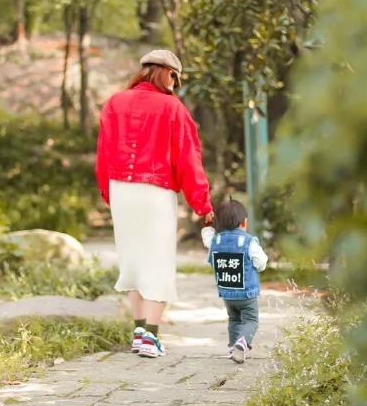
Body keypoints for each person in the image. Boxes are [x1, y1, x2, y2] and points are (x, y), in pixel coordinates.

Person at [95, 49, 214, 359]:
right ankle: (152, 336)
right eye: (175, 77)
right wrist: (202, 205)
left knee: (132, 260)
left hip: (121, 190)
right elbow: (189, 160)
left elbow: (103, 154)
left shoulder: (114, 103)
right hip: (155, 190)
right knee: (158, 261)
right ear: (168, 74)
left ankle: (138, 331)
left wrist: (110, 195)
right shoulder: (173, 108)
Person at [201, 198, 268, 364]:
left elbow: (206, 237)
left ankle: (234, 347)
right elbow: (261, 262)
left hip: (227, 294)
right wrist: (257, 268)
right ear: (243, 222)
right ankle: (242, 342)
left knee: (234, 320)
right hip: (247, 294)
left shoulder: (214, 241)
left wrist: (208, 225)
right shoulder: (248, 241)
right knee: (251, 320)